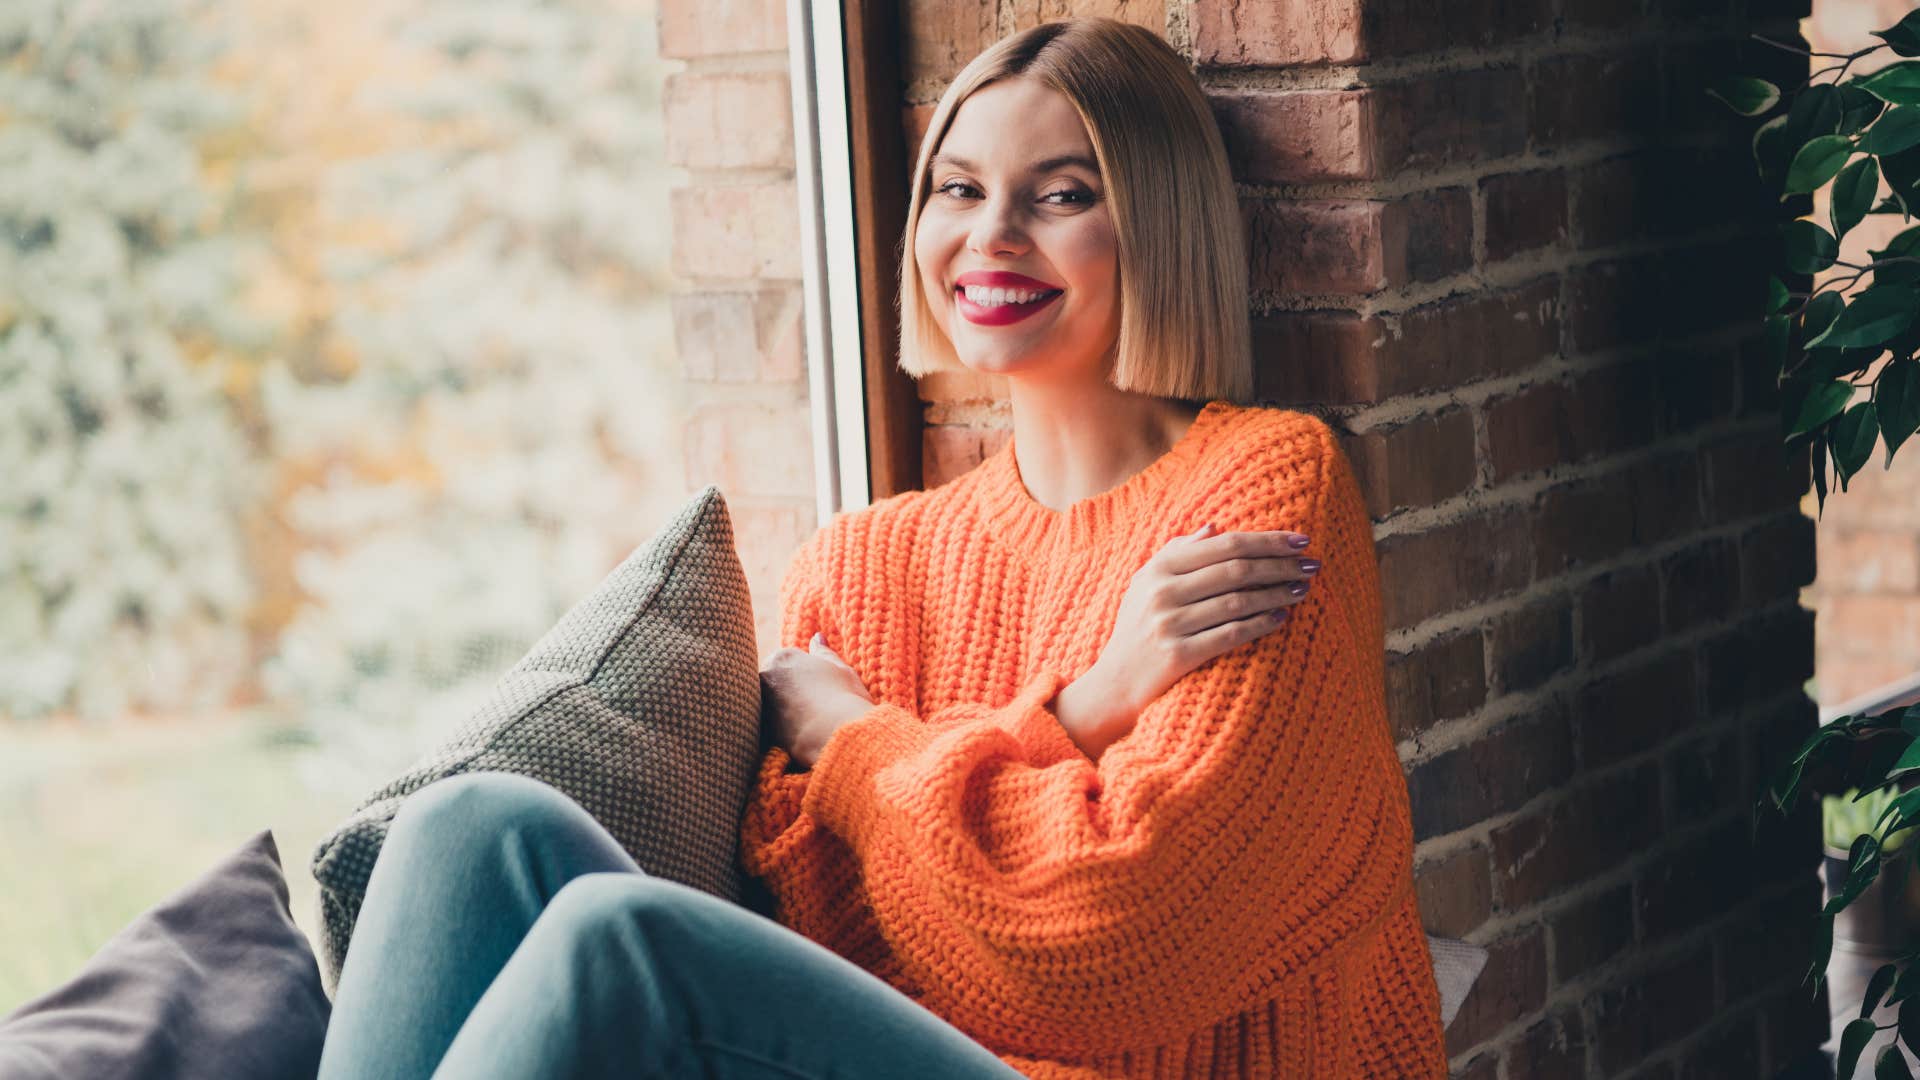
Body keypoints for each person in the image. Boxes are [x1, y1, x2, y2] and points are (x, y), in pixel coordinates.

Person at [316, 15, 1448, 1079]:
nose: (990, 236)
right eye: (957, 190)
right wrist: (1079, 717)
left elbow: (1106, 937)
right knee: (472, 825)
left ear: (1159, 224)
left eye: (1059, 195)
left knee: (624, 942)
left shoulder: (1258, 486)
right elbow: (830, 926)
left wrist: (857, 740)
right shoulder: (867, 562)